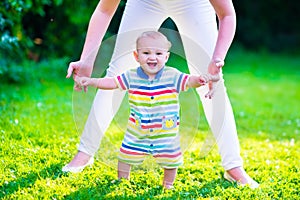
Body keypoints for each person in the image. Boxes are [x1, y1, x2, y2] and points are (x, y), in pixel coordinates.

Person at [63, 0, 259, 188]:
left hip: (193, 3)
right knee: (117, 72)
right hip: (145, 2)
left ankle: (233, 166)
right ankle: (85, 153)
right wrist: (87, 60)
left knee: (211, 81)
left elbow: (227, 14)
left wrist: (217, 60)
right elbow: (104, 10)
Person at [73, 31, 219, 189]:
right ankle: (123, 180)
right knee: (125, 154)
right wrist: (91, 81)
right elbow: (112, 83)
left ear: (166, 57)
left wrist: (200, 79)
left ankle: (168, 183)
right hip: (137, 129)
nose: (152, 57)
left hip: (166, 130)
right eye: (146, 53)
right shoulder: (131, 76)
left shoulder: (172, 75)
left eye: (158, 53)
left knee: (171, 159)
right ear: (136, 56)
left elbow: (189, 81)